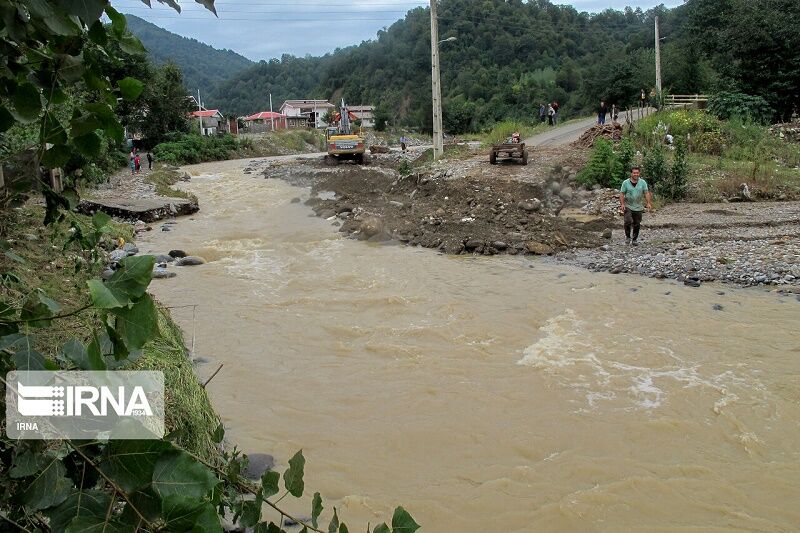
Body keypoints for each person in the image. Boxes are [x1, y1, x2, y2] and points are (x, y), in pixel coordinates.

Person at [619, 166, 653, 246]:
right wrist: (622, 204)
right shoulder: (625, 183)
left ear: (639, 173)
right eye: (634, 173)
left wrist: (648, 203)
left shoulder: (642, 182)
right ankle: (627, 237)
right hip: (628, 205)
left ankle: (634, 239)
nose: (636, 174)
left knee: (637, 223)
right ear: (631, 173)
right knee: (627, 221)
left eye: (637, 173)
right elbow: (622, 193)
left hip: (638, 206)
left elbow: (646, 193)